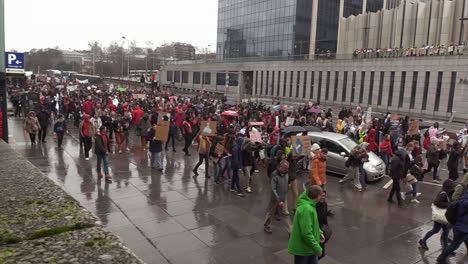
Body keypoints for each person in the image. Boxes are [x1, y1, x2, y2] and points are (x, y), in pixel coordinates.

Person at [288, 185, 325, 264]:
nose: (322, 198)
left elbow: (312, 224)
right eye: (321, 195)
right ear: (317, 196)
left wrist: (319, 232)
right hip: (303, 250)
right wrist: (317, 248)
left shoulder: (311, 205)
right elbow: (306, 233)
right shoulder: (307, 209)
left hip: (309, 248)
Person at [419, 179, 457, 251]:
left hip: (445, 216)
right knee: (435, 230)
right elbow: (437, 202)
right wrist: (449, 204)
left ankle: (446, 249)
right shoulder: (443, 193)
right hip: (440, 216)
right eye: (452, 186)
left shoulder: (447, 192)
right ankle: (423, 240)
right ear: (449, 186)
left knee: (446, 232)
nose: (453, 187)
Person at [436, 188, 468, 263]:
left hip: (462, 226)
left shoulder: (465, 197)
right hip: (462, 228)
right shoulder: (466, 202)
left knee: (466, 239)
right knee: (454, 245)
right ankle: (441, 258)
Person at [264, 160, 292, 234]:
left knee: (285, 214)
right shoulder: (274, 174)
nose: (287, 170)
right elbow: (273, 189)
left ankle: (290, 231)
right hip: (275, 198)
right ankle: (266, 225)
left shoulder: (286, 173)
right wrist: (279, 200)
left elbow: (286, 183)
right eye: (285, 168)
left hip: (284, 197)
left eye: (288, 168)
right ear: (280, 167)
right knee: (270, 212)